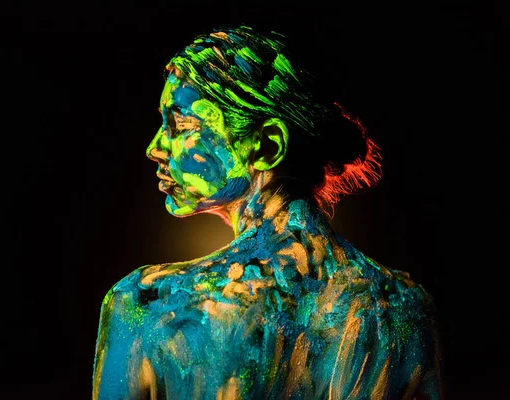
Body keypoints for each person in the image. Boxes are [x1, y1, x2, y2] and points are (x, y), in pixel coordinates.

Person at [92, 26, 442, 400]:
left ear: (266, 145)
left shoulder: (150, 304)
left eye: (179, 124)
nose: (155, 147)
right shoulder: (402, 306)